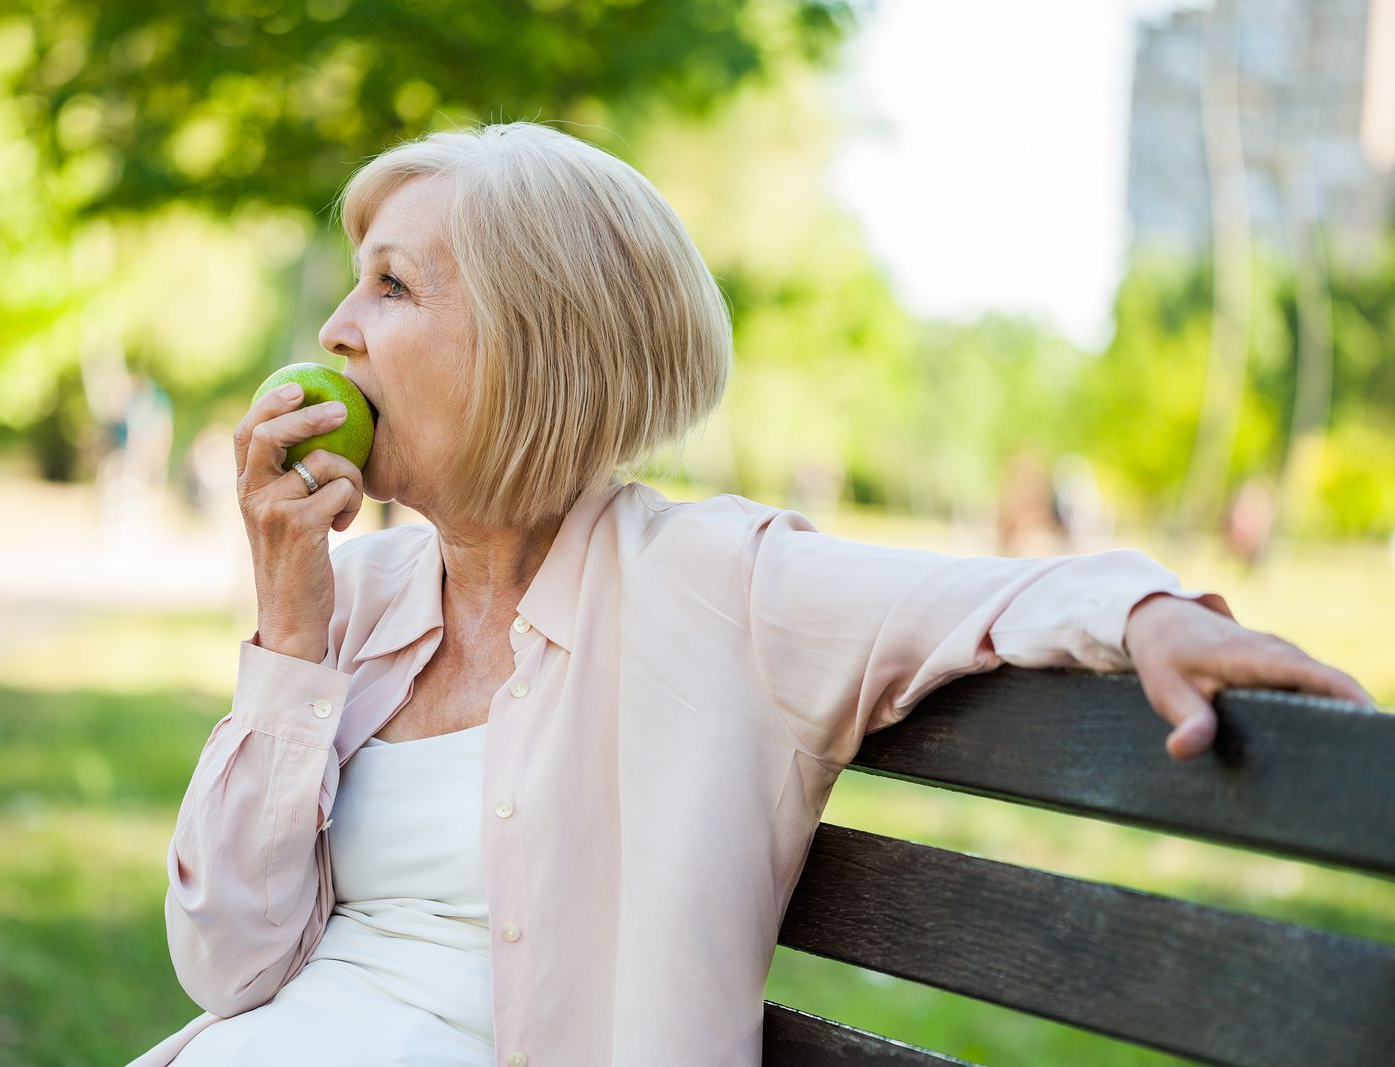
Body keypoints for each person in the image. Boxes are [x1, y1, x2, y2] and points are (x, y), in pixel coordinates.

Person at [130, 122, 1377, 1067]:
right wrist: (287, 632)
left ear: (536, 344)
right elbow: (229, 964)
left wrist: (1153, 614)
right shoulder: (354, 596)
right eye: (354, 284)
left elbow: (969, 595)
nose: (338, 328)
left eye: (394, 287)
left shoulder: (713, 584)